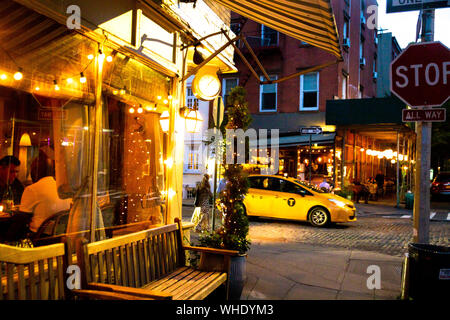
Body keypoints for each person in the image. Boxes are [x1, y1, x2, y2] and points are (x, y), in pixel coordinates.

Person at [19, 151, 72, 234]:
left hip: (39, 238)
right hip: (60, 237)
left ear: (35, 171)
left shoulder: (32, 189)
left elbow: (21, 220)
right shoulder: (62, 189)